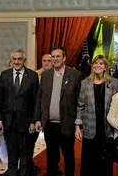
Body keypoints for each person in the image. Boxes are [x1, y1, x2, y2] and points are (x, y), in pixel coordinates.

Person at [34, 46, 82, 176]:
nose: (55, 59)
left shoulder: (75, 75)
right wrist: (38, 118)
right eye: (53, 56)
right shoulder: (46, 75)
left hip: (67, 123)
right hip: (49, 124)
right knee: (51, 155)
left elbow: (79, 100)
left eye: (58, 56)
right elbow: (40, 98)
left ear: (64, 58)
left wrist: (78, 123)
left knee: (68, 155)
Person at [0, 49, 39, 176]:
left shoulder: (32, 75)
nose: (16, 61)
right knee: (11, 148)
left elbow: (36, 100)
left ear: (24, 60)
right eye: (14, 59)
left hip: (26, 120)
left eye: (19, 59)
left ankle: (24, 172)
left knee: (25, 150)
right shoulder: (5, 75)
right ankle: (12, 170)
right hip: (8, 120)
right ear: (11, 60)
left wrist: (34, 120)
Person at [75, 55, 118, 176]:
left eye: (100, 63)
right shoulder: (85, 83)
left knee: (105, 161)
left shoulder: (113, 82)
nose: (97, 66)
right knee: (89, 161)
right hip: (90, 127)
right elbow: (80, 105)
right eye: (95, 63)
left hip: (107, 128)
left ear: (105, 67)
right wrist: (77, 126)